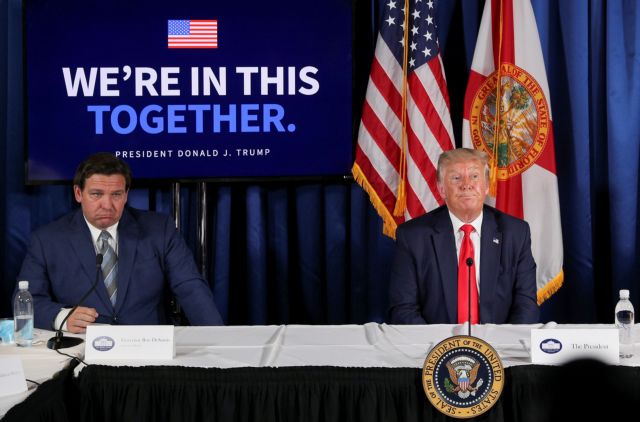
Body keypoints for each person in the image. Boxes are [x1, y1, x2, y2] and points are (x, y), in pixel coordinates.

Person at [18, 152, 224, 333]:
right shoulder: (47, 239)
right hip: (82, 348)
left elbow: (190, 287)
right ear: (78, 194)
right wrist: (62, 317)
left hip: (148, 347)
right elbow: (27, 299)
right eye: (96, 194)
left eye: (116, 194)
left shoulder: (159, 229)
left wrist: (218, 338)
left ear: (126, 195)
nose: (107, 205)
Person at [388, 148, 539, 324]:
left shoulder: (516, 233)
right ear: (441, 189)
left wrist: (503, 341)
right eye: (456, 178)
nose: (466, 184)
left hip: (498, 341)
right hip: (436, 341)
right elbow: (403, 309)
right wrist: (440, 343)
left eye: (474, 176)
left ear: (486, 186)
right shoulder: (413, 237)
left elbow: (526, 305)